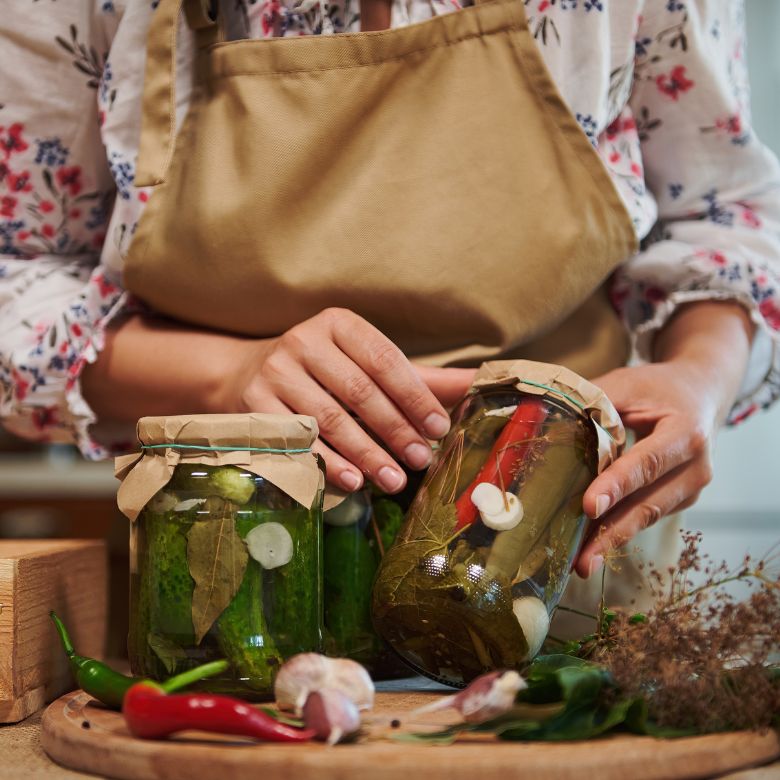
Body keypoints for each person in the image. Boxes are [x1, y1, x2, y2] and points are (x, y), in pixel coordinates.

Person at [0, 0, 778, 591]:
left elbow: (728, 218)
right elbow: (16, 274)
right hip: (225, 585)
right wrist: (226, 377)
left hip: (560, 568)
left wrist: (697, 379)